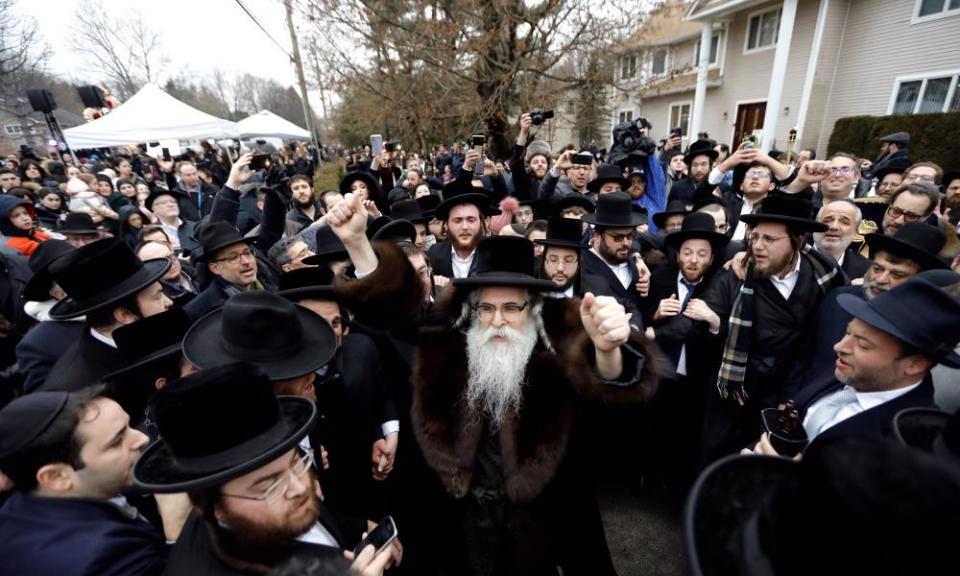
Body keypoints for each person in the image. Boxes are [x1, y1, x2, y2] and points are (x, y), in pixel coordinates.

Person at [134, 364, 400, 575]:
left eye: (298, 462)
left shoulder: (269, 506)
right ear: (212, 506)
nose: (299, 488)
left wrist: (362, 526)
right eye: (268, 486)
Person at [697, 195, 845, 459]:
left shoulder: (824, 274)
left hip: (787, 390)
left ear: (798, 241)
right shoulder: (736, 272)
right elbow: (706, 326)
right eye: (755, 237)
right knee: (717, 456)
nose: (757, 246)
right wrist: (715, 325)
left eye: (769, 239)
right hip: (734, 387)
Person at [746, 277, 958, 456]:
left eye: (863, 344)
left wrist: (786, 479)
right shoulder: (850, 372)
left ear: (915, 364)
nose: (839, 346)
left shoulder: (911, 446)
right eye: (848, 333)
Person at [0, 388, 184, 575]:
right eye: (116, 441)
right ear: (56, 477)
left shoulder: (21, 507)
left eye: (128, 426)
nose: (143, 438)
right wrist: (177, 529)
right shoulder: (106, 556)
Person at [644, 211, 730, 482]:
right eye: (688, 252)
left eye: (702, 254)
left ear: (713, 258)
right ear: (678, 254)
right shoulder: (658, 279)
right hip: (660, 373)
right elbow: (639, 318)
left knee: (689, 437)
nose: (694, 260)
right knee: (656, 431)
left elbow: (730, 333)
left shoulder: (721, 285)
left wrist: (714, 321)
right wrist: (655, 315)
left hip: (698, 378)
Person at [806, 222, 947, 384]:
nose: (880, 279)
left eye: (897, 274)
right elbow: (804, 353)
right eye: (878, 269)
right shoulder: (839, 298)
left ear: (919, 281)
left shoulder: (921, 326)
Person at [40, 239, 173, 392]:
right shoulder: (82, 389)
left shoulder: (164, 328)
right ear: (124, 315)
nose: (169, 302)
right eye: (157, 297)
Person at [15, 240, 84, 392]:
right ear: (59, 294)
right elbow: (49, 405)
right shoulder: (38, 344)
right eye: (76, 274)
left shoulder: (123, 301)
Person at [580, 192, 649, 327]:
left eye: (630, 236)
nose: (625, 243)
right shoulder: (582, 264)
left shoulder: (637, 267)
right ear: (598, 236)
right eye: (617, 237)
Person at [182, 222, 268, 320]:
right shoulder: (200, 310)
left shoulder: (270, 282)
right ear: (215, 268)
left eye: (247, 253)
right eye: (233, 257)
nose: (246, 261)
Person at [426, 178, 495, 280]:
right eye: (457, 221)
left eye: (471, 220)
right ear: (446, 224)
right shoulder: (435, 254)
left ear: (481, 222)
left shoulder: (494, 253)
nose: (465, 227)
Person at [812, 199, 871, 279]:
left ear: (856, 232)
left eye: (844, 222)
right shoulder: (794, 253)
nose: (834, 227)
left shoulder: (866, 269)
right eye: (827, 220)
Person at [534, 215, 590, 298]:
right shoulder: (528, 293)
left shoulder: (592, 294)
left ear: (579, 261)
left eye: (568, 260)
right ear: (544, 259)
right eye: (553, 260)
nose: (560, 268)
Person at [136, 241, 197, 306]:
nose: (170, 264)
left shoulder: (199, 269)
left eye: (170, 257)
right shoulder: (163, 304)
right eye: (159, 264)